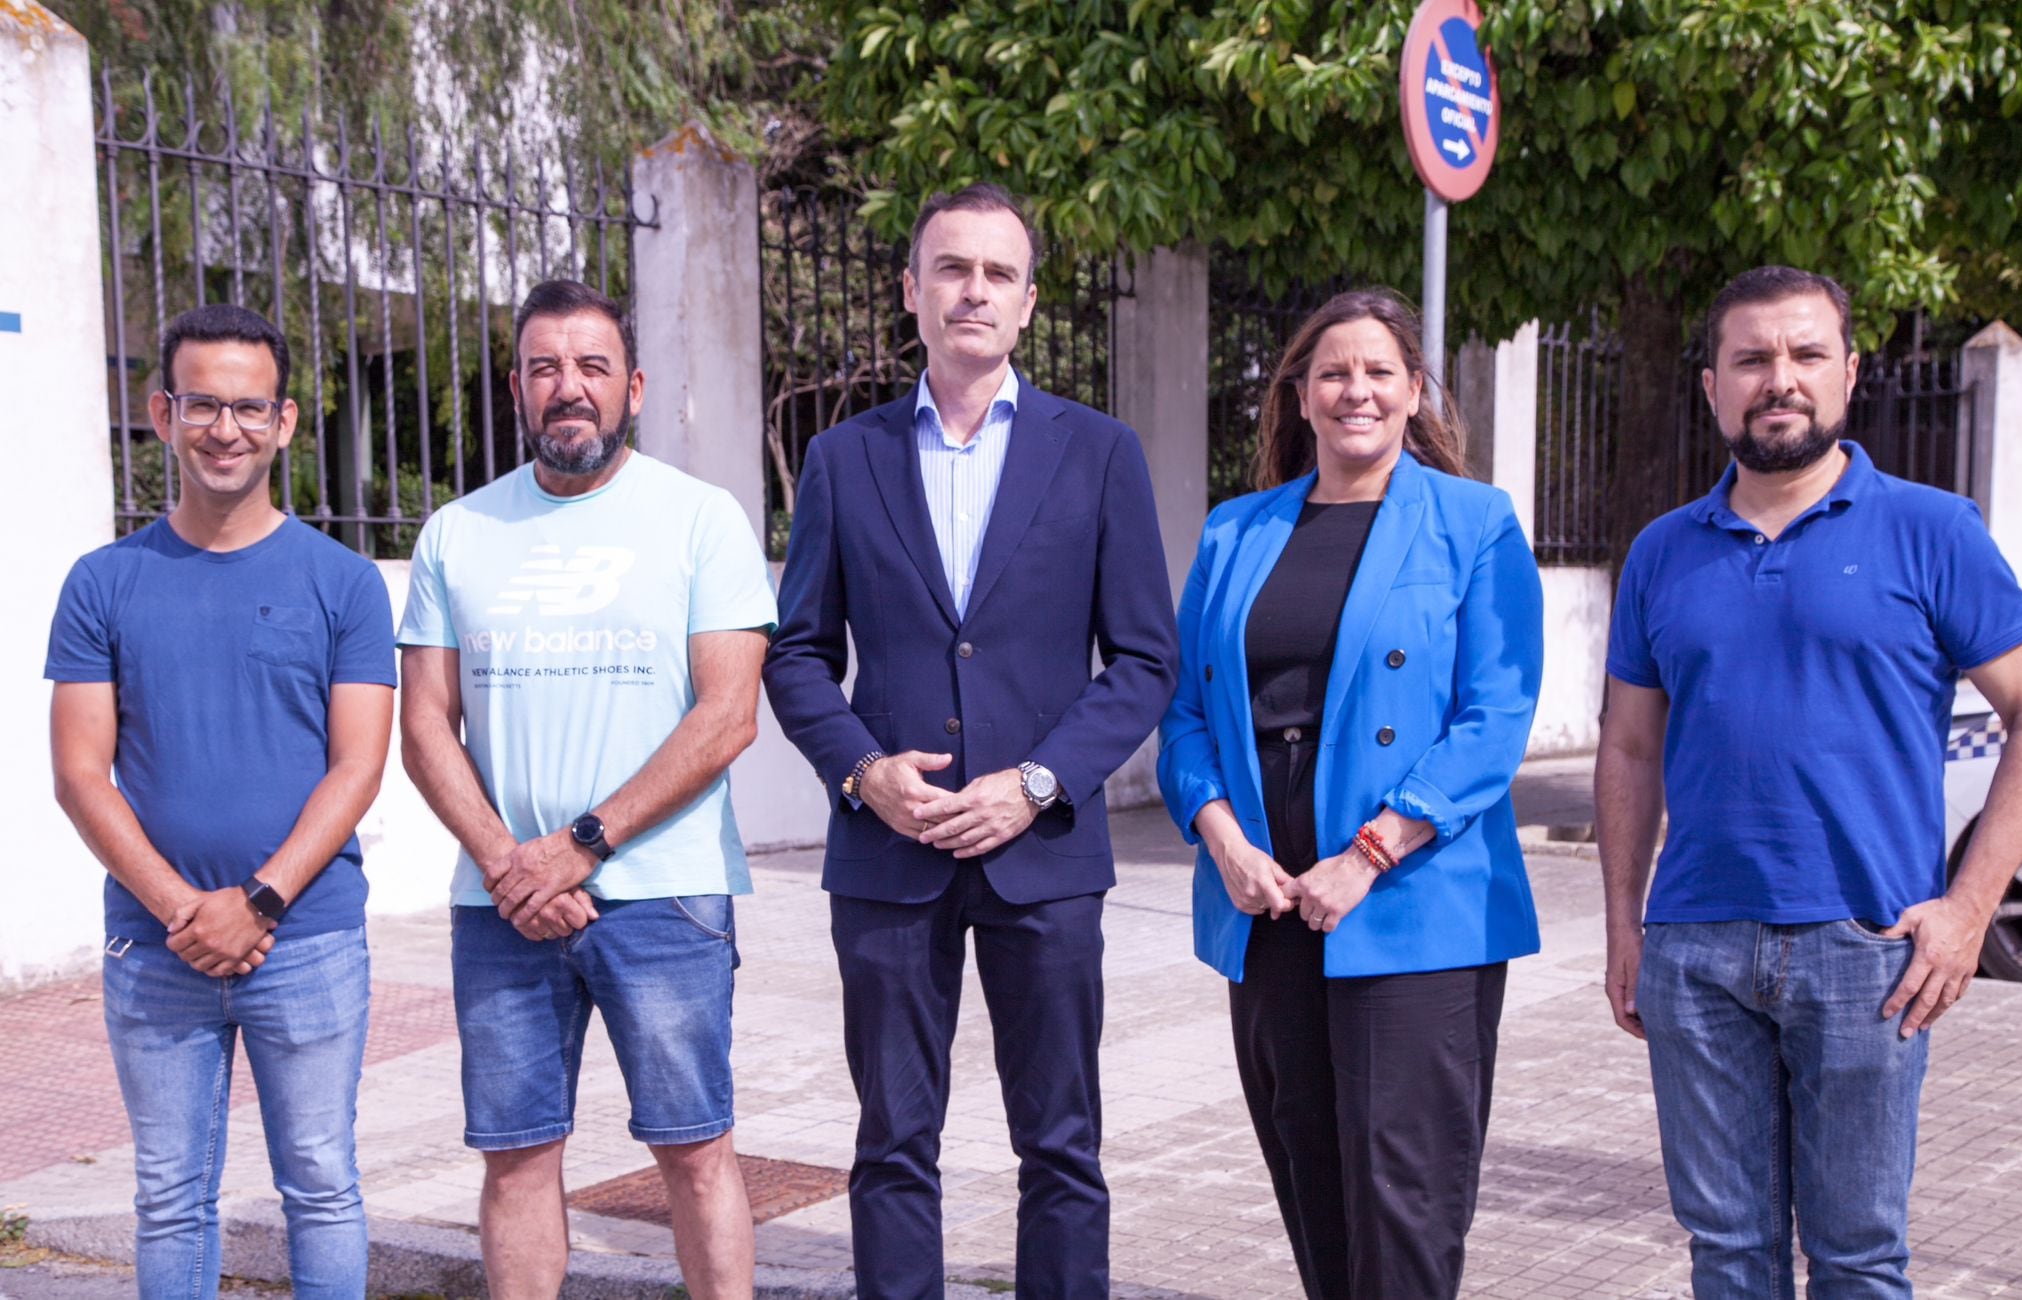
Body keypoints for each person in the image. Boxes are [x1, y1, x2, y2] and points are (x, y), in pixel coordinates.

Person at [1597, 265, 2022, 1298]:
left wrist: (1966, 911)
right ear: (1710, 383)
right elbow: (1625, 749)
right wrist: (1625, 924)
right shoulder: (1662, 553)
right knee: (1727, 1254)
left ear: (1847, 373)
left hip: (1869, 951)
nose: (1777, 379)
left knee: (1855, 1258)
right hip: (1695, 952)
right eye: (1750, 358)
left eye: (1804, 355)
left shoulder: (1931, 531)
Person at [763, 182, 1177, 1299]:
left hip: (1041, 856)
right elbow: (795, 652)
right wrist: (863, 773)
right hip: (888, 859)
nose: (973, 291)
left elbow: (1143, 661)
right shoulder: (844, 459)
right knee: (893, 1142)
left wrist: (1036, 783)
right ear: (912, 289)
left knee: (1060, 1144)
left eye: (997, 273)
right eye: (951, 268)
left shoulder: (1096, 453)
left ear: (1030, 302)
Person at [1156, 288, 1543, 1300]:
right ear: (1298, 392)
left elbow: (1492, 718)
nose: (1354, 390)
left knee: (1402, 1197)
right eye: (1332, 372)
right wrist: (1225, 844)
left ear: (1414, 392)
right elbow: (1186, 713)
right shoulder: (1236, 531)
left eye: (1378, 371)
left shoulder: (1474, 522)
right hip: (1267, 900)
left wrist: (1368, 852)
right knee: (1308, 1174)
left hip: (1413, 901)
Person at [397, 279, 776, 1300]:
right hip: (501, 904)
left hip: (664, 895)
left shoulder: (701, 519)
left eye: (593, 367)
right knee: (517, 1156)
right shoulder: (457, 532)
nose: (570, 388)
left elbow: (727, 714)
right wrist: (506, 862)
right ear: (517, 386)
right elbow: (425, 720)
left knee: (694, 1151)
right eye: (546, 368)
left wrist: (581, 845)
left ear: (634, 387)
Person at [46, 304, 396, 1298]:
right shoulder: (103, 582)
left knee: (322, 1184)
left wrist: (260, 901)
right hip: (155, 949)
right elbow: (78, 774)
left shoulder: (343, 582)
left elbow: (357, 767)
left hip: (310, 938)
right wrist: (181, 911)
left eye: (248, 408)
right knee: (167, 1195)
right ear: (163, 412)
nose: (225, 429)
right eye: (203, 404)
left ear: (284, 421)